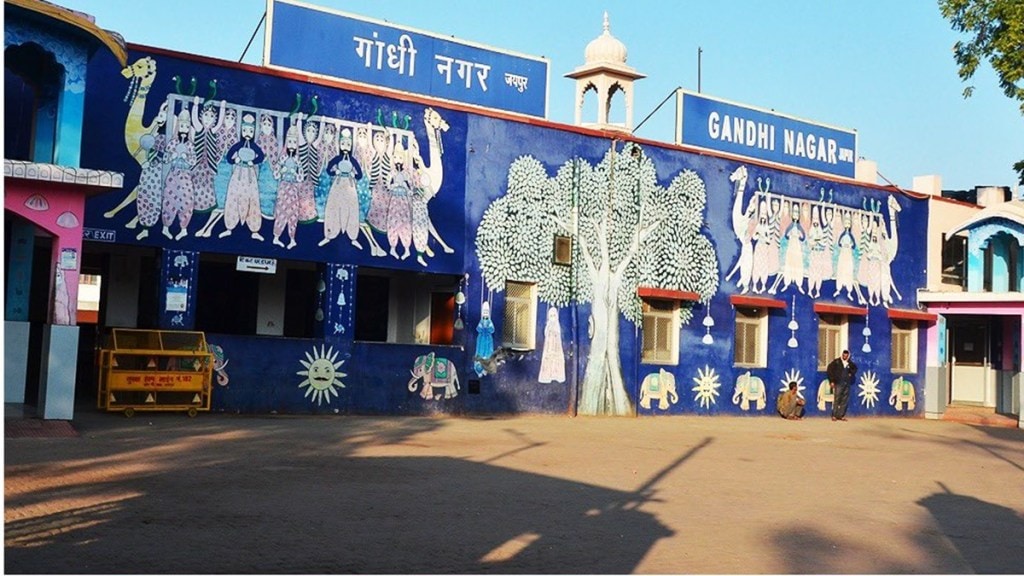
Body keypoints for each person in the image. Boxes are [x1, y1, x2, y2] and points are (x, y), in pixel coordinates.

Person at [827, 349, 857, 421]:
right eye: (844, 355)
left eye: (846, 356)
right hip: (838, 383)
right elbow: (829, 369)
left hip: (846, 383)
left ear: (848, 356)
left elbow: (855, 368)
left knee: (844, 400)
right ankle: (834, 415)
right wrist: (832, 381)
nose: (845, 357)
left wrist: (851, 373)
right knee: (837, 399)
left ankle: (841, 415)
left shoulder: (849, 363)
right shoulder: (836, 362)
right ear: (842, 355)